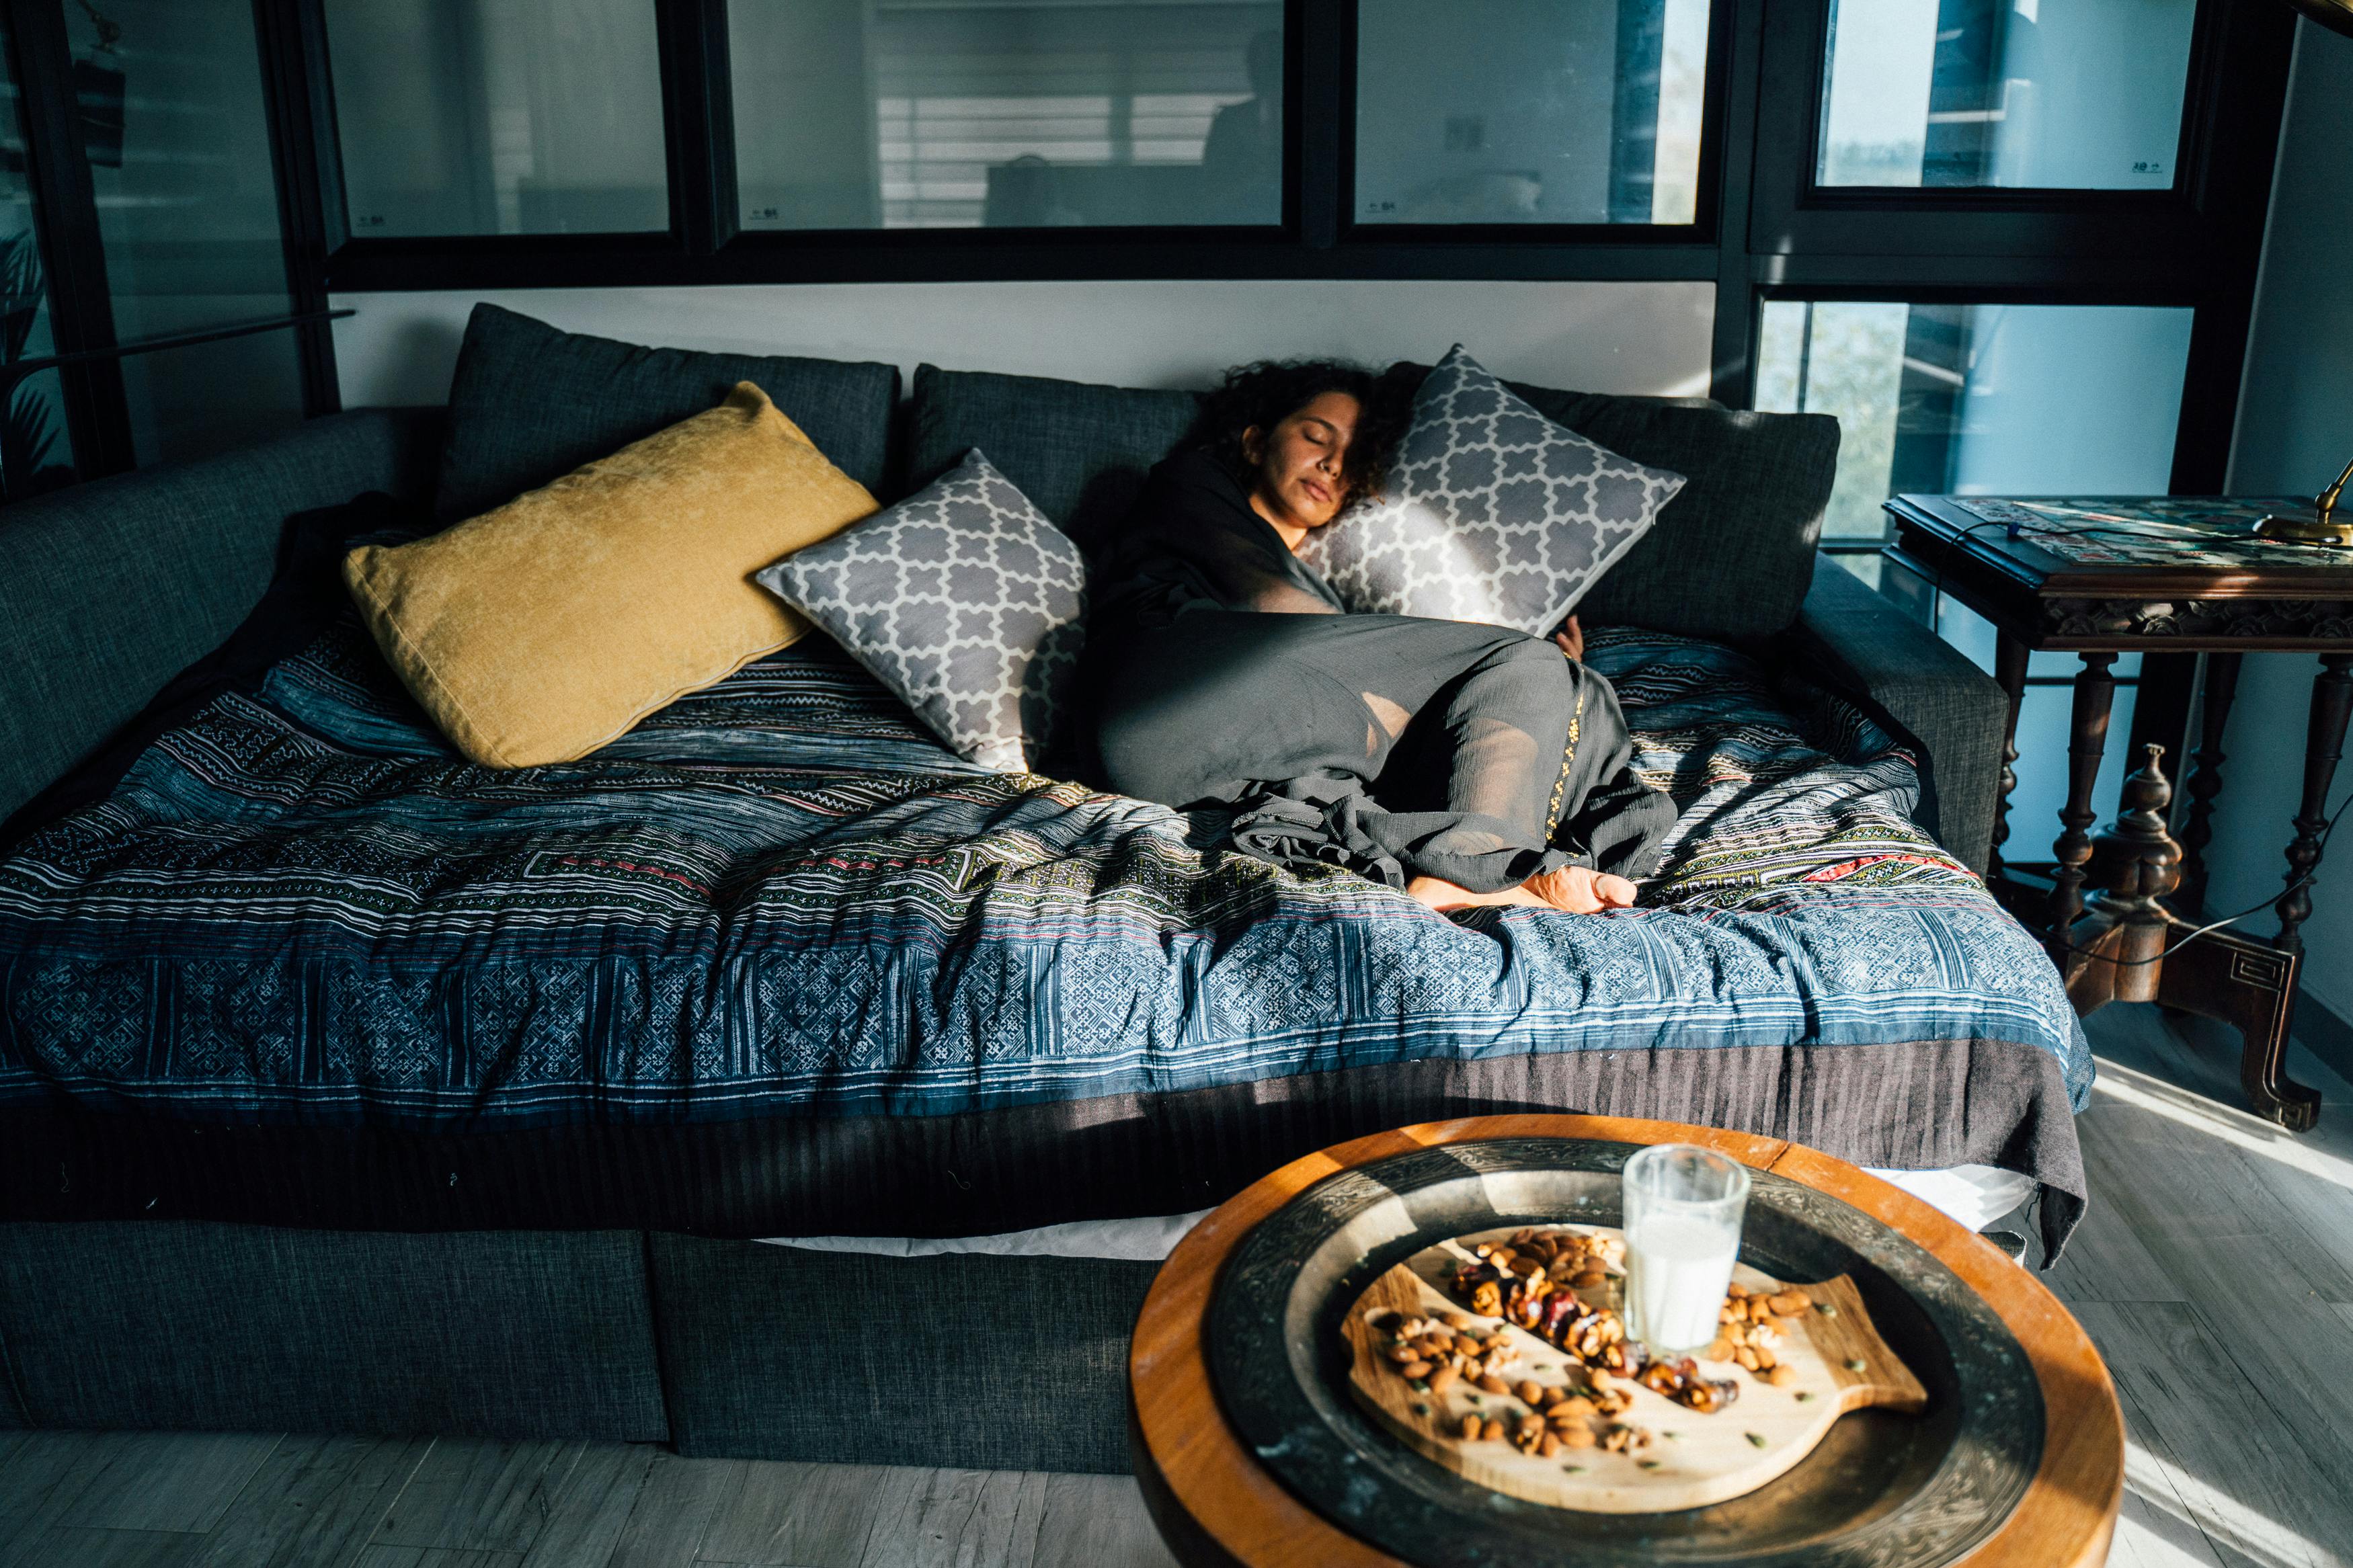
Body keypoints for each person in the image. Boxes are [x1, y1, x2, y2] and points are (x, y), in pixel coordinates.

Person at [1087, 361, 1675, 913]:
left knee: (1563, 687)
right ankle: (1480, 868)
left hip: (1214, 768)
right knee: (1529, 664)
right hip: (1173, 696)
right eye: (1317, 437)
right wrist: (1483, 659)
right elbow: (1277, 607)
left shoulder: (1331, 605)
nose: (1333, 464)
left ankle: (1461, 874)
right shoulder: (1194, 483)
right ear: (1255, 441)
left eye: (1353, 456)